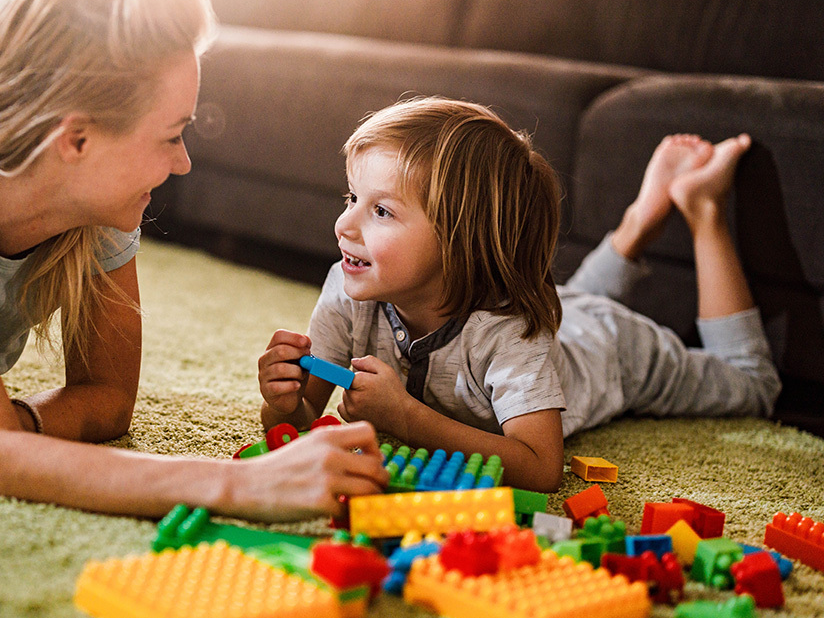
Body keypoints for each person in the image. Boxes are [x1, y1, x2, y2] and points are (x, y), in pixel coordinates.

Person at [0, 0, 389, 522]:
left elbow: (105, 399)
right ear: (75, 140)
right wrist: (243, 483)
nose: (183, 162)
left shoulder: (91, 204)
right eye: (170, 135)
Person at [258, 97, 781, 493]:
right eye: (352, 197)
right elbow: (302, 423)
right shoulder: (348, 290)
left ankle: (699, 206)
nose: (343, 224)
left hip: (606, 351)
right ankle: (638, 222)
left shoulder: (510, 334)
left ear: (460, 238)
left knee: (752, 385)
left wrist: (409, 420)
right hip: (551, 316)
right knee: (563, 300)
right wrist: (283, 405)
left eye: (381, 211)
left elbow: (540, 466)